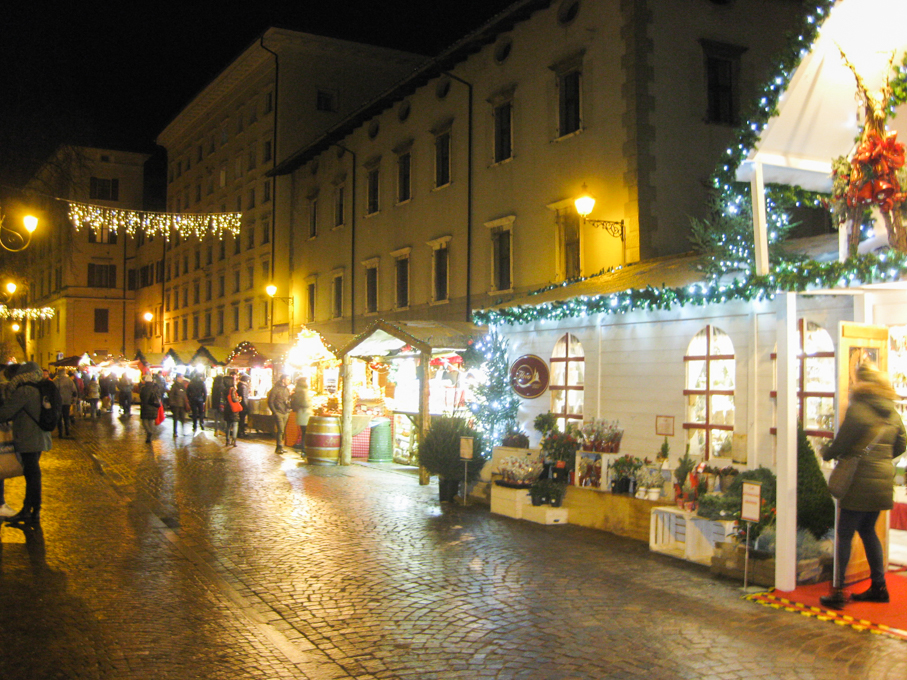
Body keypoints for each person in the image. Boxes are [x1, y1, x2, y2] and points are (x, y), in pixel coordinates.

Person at [820, 363, 907, 609]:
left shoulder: (858, 410)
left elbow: (841, 444)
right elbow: (901, 444)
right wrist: (881, 460)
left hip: (858, 483)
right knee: (869, 531)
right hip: (881, 483)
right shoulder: (892, 412)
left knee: (845, 534)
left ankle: (838, 592)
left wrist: (826, 453)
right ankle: (879, 586)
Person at [0, 362, 53, 524]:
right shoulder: (40, 386)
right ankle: (30, 509)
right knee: (33, 475)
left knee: (32, 475)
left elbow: (6, 412)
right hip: (40, 436)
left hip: (29, 438)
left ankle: (31, 510)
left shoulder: (24, 390)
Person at [267, 374, 292, 454]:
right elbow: (270, 401)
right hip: (279, 412)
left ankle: (281, 447)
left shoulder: (286, 389)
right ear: (283, 380)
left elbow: (287, 400)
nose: (289, 381)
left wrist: (288, 405)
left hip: (285, 412)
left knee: (283, 430)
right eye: (287, 379)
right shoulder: (275, 389)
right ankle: (279, 447)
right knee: (280, 430)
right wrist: (275, 412)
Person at [139, 374, 162, 444]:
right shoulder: (155, 387)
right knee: (151, 421)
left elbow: (142, 397)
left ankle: (149, 432)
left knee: (144, 421)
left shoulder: (144, 388)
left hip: (146, 406)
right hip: (154, 406)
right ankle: (149, 438)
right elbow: (159, 396)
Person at [53, 369, 77, 438]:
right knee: (66, 416)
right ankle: (67, 431)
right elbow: (74, 391)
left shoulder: (55, 380)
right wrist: (73, 400)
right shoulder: (69, 380)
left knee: (59, 417)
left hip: (58, 401)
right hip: (67, 401)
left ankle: (60, 432)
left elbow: (53, 391)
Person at [290, 376, 312, 451]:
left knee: (304, 432)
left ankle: (303, 446)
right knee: (305, 432)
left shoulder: (298, 390)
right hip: (305, 414)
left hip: (301, 414)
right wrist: (310, 404)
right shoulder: (303, 391)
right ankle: (304, 447)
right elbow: (305, 403)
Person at [223, 374, 241, 447]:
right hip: (233, 409)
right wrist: (239, 399)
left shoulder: (224, 389)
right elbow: (233, 399)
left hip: (227, 408)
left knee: (228, 425)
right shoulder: (232, 389)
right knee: (235, 424)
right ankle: (234, 440)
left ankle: (227, 440)